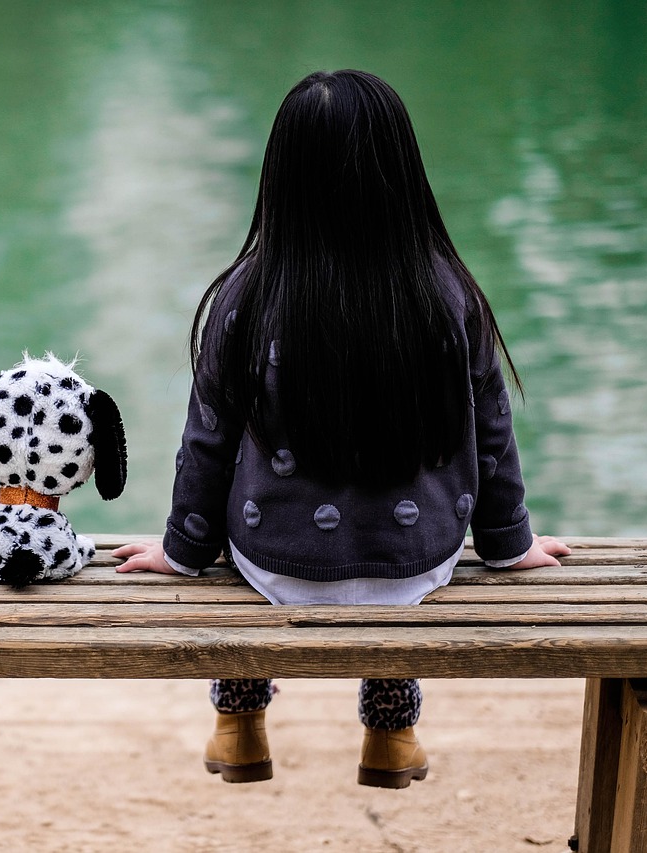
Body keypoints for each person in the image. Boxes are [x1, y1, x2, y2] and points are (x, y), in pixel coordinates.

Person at [111, 69, 570, 790]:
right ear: (402, 172)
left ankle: (239, 722)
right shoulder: (447, 292)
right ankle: (390, 731)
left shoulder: (245, 294)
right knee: (392, 563)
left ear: (281, 178)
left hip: (276, 564)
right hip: (416, 563)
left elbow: (207, 444)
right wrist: (510, 544)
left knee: (240, 547)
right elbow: (492, 431)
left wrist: (182, 550)